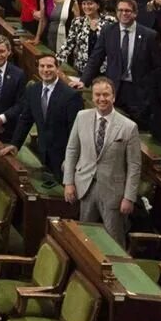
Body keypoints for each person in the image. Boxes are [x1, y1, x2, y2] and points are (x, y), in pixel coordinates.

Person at [63, 77, 142, 245]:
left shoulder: (129, 127)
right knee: (84, 238)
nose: (102, 99)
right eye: (97, 95)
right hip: (85, 186)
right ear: (92, 96)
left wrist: (129, 197)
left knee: (115, 241)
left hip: (113, 192)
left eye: (106, 95)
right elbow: (71, 151)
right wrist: (68, 182)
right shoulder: (81, 117)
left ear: (113, 97)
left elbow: (134, 167)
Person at [13, 53, 82, 181]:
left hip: (63, 156)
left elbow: (75, 130)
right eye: (42, 66)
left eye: (50, 66)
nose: (46, 70)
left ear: (57, 69)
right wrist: (15, 145)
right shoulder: (33, 90)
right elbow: (26, 120)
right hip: (43, 151)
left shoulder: (71, 96)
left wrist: (70, 159)